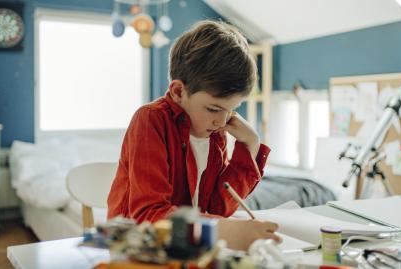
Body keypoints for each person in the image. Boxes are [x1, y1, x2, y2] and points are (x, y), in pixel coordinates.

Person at [107, 20, 280, 250]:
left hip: (189, 248)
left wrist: (251, 143)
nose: (222, 120)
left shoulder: (215, 132)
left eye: (231, 110)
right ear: (179, 91)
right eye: (214, 109)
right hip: (139, 249)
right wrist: (223, 230)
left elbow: (218, 208)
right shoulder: (150, 120)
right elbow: (148, 215)